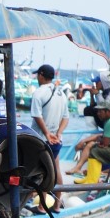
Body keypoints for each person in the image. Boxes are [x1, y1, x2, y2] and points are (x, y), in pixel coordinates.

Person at [30, 63, 68, 195]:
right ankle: (58, 204)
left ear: (41, 75)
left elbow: (36, 115)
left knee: (40, 172)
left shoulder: (38, 93)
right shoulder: (61, 93)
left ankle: (41, 205)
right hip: (56, 140)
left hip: (41, 140)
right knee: (55, 169)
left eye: (37, 75)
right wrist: (58, 133)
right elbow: (66, 118)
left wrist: (46, 133)